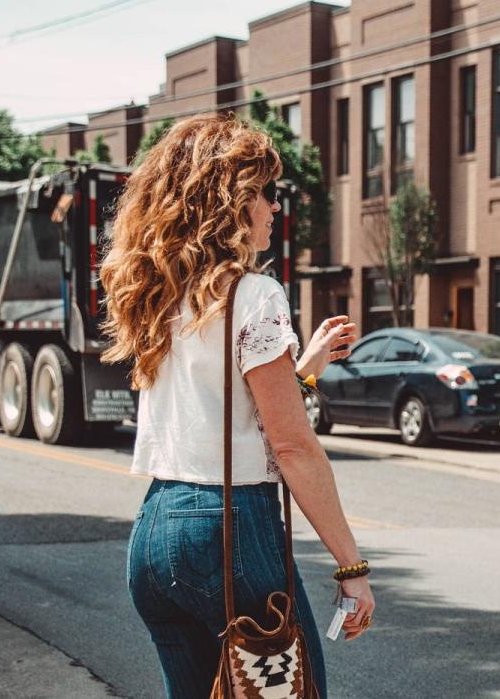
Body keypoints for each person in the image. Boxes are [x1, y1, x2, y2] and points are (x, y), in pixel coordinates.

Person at [101, 113, 375, 698]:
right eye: (263, 194)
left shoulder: (157, 295)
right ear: (227, 201)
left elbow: (227, 409)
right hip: (231, 530)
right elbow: (292, 445)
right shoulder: (255, 294)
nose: (274, 208)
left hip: (156, 529)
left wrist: (307, 368)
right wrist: (351, 568)